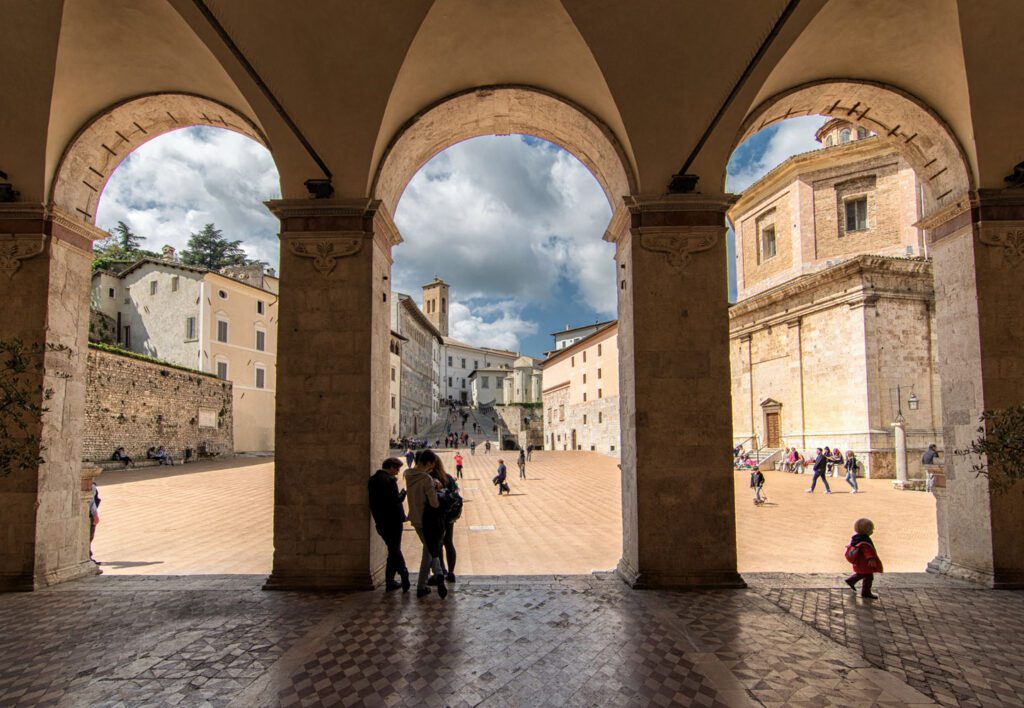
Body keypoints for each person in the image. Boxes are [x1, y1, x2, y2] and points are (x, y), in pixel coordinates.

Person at [403, 449, 447, 598]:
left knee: (428, 550)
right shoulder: (426, 479)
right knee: (430, 551)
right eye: (431, 466)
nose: (431, 469)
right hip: (426, 520)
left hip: (414, 517)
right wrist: (436, 488)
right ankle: (435, 575)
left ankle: (424, 584)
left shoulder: (408, 474)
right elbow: (434, 503)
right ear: (427, 463)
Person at [368, 457, 410, 592]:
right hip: (393, 520)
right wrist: (404, 493)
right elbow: (395, 500)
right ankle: (404, 575)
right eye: (396, 469)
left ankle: (390, 582)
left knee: (392, 550)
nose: (397, 472)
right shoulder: (390, 480)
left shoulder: (373, 480)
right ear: (391, 467)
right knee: (395, 549)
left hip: (381, 521)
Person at [432, 459, 462, 583]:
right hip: (449, 516)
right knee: (448, 543)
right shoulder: (448, 477)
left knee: (436, 545)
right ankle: (450, 572)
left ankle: (440, 572)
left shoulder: (428, 479)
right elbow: (456, 493)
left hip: (435, 516)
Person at [845, 517, 883, 599]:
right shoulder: (865, 541)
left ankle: (851, 581)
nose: (872, 531)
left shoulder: (856, 538)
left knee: (861, 574)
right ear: (867, 530)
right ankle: (866, 592)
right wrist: (871, 558)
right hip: (865, 563)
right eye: (871, 529)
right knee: (869, 577)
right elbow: (867, 551)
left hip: (859, 563)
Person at [88, 481, 101, 562]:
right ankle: (87, 556)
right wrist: (95, 515)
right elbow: (92, 502)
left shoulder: (92, 486)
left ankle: (88, 556)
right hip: (89, 515)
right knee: (89, 536)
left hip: (88, 514)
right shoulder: (92, 486)